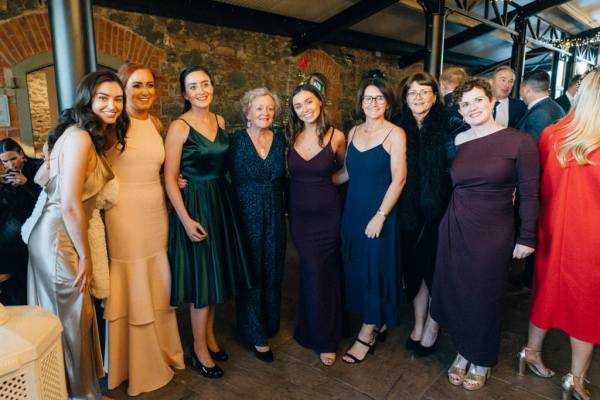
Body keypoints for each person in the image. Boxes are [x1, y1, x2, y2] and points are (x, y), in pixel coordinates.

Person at [430, 78, 539, 391]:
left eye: (477, 100)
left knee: (485, 297)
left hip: (494, 231)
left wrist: (527, 237)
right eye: (465, 104)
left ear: (491, 100)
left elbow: (531, 193)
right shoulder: (460, 141)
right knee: (459, 292)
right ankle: (463, 352)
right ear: (460, 112)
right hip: (455, 226)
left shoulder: (519, 141)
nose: (472, 108)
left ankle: (482, 358)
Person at [27, 70, 128, 399]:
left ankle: (79, 392)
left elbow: (42, 179)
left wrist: (51, 154)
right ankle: (81, 396)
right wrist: (86, 256)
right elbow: (70, 204)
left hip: (55, 233)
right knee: (73, 321)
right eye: (103, 98)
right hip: (60, 237)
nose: (113, 105)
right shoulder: (81, 137)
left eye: (118, 98)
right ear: (88, 99)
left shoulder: (79, 134)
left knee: (72, 320)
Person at [164, 65, 252, 379]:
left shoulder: (220, 121)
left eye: (205, 84)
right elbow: (170, 179)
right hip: (195, 207)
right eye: (193, 86)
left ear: (212, 86)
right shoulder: (179, 127)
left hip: (219, 201)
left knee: (216, 276)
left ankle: (210, 337)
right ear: (185, 93)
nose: (201, 90)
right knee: (203, 281)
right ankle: (199, 349)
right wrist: (185, 220)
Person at [103, 62, 184, 395]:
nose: (145, 91)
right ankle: (133, 365)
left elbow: (158, 166)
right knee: (133, 281)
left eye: (149, 85)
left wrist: (175, 180)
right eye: (136, 85)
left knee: (156, 280)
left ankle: (164, 351)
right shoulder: (110, 127)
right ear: (123, 89)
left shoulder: (154, 122)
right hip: (124, 212)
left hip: (155, 210)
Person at [521, 70, 600, 400]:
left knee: (546, 292)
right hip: (591, 238)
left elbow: (535, 184)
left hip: (552, 230)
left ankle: (530, 352)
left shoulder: (552, 134)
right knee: (587, 306)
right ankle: (576, 378)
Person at [333, 76, 406, 364]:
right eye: (368, 98)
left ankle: (368, 332)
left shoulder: (395, 134)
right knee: (357, 268)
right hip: (353, 212)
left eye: (379, 98)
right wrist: (314, 180)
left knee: (376, 270)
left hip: (380, 214)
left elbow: (399, 180)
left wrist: (380, 216)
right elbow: (348, 173)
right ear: (361, 102)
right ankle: (377, 318)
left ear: (387, 102)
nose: (373, 103)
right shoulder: (352, 133)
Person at [394, 72, 463, 357]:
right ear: (406, 98)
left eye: (424, 92)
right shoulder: (399, 126)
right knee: (416, 270)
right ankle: (419, 322)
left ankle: (433, 325)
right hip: (409, 210)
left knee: (436, 270)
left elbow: (460, 167)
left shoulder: (451, 123)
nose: (418, 98)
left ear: (435, 95)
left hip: (441, 209)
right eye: (412, 93)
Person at [287, 83, 346, 366]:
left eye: (308, 102)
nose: (305, 109)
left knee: (325, 273)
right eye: (298, 106)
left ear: (320, 102)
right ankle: (310, 328)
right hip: (300, 218)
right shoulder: (290, 135)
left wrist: (327, 183)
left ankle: (327, 338)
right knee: (311, 272)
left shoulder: (337, 137)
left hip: (328, 216)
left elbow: (348, 170)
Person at [229, 88, 286, 363]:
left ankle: (269, 322)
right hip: (245, 214)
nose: (265, 113)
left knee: (273, 268)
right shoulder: (235, 141)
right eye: (259, 108)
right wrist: (184, 178)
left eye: (270, 109)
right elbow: (213, 170)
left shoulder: (282, 140)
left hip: (275, 213)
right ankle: (253, 331)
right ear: (247, 113)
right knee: (250, 271)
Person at [0, 138, 43, 305]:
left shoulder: (36, 167)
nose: (10, 164)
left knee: (7, 235)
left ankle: (6, 271)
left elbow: (48, 200)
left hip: (35, 220)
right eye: (5, 161)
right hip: (17, 218)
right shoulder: (9, 173)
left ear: (21, 154)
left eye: (13, 158)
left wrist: (26, 184)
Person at [517, 70, 565, 142]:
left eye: (520, 87)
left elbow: (529, 148)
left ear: (527, 91)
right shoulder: (557, 107)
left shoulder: (540, 114)